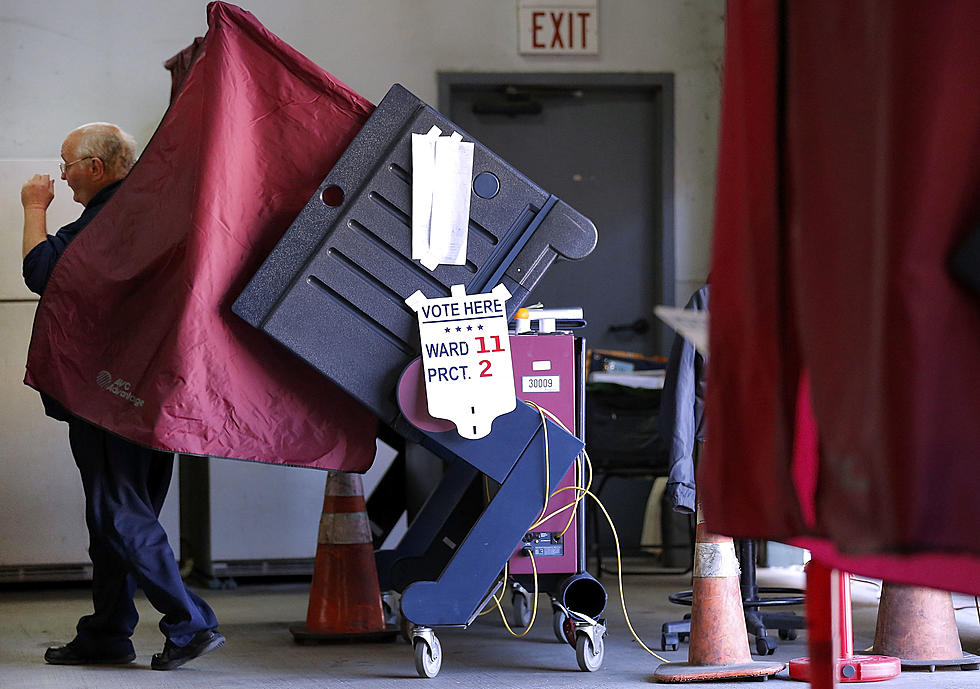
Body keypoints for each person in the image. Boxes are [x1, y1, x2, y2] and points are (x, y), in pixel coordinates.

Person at [20, 123, 224, 671]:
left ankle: (190, 622)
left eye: (66, 164)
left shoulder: (105, 223)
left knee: (116, 513)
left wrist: (32, 208)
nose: (60, 176)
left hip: (108, 397)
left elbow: (41, 272)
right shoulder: (151, 216)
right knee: (122, 516)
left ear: (96, 168)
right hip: (154, 393)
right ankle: (107, 632)